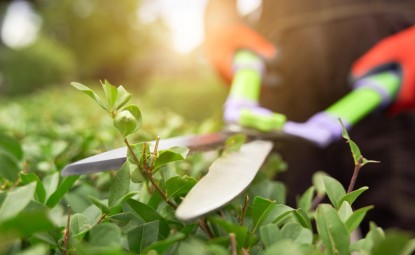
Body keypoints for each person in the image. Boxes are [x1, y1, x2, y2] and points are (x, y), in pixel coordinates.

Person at [204, 0, 415, 234]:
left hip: (392, 39)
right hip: (285, 53)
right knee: (284, 228)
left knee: (401, 235)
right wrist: (221, 19)